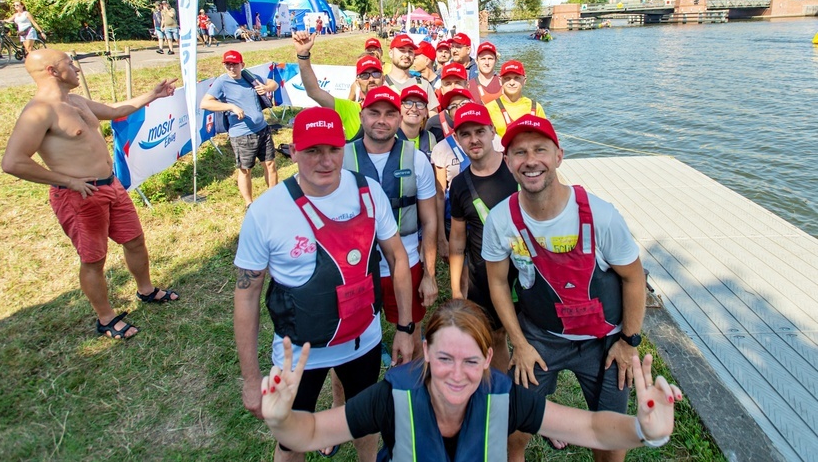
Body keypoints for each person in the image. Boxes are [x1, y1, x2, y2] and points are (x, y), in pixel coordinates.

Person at [261, 299, 681, 460]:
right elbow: (310, 432)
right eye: (445, 358)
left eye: (470, 361)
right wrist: (282, 420)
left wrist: (645, 431)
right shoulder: (391, 396)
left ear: (487, 360)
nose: (457, 375)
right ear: (426, 352)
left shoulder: (506, 398)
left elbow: (591, 428)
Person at [234, 107, 415, 461]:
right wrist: (251, 379)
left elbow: (397, 257)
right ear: (293, 151)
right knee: (290, 440)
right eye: (313, 151)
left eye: (333, 149)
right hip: (298, 355)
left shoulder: (368, 192)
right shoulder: (266, 211)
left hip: (363, 343)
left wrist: (405, 328)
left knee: (366, 426)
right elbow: (246, 296)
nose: (326, 161)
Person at [482, 115, 649, 462]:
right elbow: (497, 282)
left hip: (604, 343)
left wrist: (628, 342)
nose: (530, 161)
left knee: (609, 439)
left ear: (559, 156)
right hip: (540, 338)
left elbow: (634, 278)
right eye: (519, 152)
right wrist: (519, 343)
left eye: (540, 150)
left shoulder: (601, 216)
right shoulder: (500, 220)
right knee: (513, 429)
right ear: (508, 162)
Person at [1, 49, 180, 339]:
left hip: (111, 185)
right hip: (80, 196)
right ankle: (106, 318)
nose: (77, 69)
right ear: (52, 71)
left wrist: (153, 95)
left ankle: (146, 290)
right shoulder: (39, 111)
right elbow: (13, 162)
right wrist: (67, 181)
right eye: (69, 64)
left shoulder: (75, 101)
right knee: (94, 259)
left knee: (135, 241)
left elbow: (114, 111)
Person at [341, 86, 438, 349]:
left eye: (389, 114)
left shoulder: (417, 160)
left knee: (412, 333)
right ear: (361, 116)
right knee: (353, 341)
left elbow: (430, 221)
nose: (381, 120)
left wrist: (429, 275)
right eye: (374, 113)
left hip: (407, 263)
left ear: (399, 118)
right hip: (356, 267)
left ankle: (410, 373)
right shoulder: (341, 159)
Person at [448, 103, 517, 373]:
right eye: (465, 134)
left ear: (492, 131)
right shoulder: (459, 184)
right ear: (457, 139)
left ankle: (527, 389)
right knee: (495, 336)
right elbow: (457, 242)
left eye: (479, 131)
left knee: (530, 336)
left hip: (525, 272)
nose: (474, 139)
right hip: (483, 274)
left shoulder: (515, 167)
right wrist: (457, 290)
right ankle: (503, 388)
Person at [200, 50, 278, 208]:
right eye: (227, 64)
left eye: (234, 64)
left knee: (270, 164)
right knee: (245, 170)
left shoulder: (249, 76)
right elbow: (205, 103)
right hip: (242, 135)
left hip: (262, 129)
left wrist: (266, 88)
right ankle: (249, 204)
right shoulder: (222, 82)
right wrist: (230, 107)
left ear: (242, 64)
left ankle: (273, 199)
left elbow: (274, 83)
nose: (231, 68)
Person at [485, 61, 547, 137]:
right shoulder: (489, 109)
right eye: (507, 78)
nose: (512, 83)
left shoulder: (535, 107)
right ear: (500, 81)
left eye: (516, 78)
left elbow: (545, 137)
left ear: (524, 80)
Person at [398, 85, 437, 159]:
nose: (414, 109)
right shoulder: (391, 137)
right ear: (399, 109)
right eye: (408, 103)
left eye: (419, 104)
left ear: (426, 112)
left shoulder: (430, 138)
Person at [411, 41, 441, 114]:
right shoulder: (413, 82)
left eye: (415, 58)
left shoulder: (442, 83)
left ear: (427, 61)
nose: (412, 61)